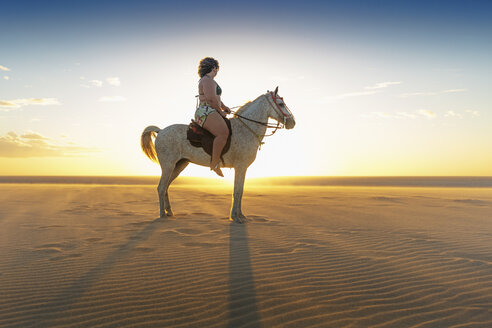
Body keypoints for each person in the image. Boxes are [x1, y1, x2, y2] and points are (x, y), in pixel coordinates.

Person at [194, 57, 231, 177]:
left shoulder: (208, 80)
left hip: (210, 109)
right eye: (217, 68)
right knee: (223, 133)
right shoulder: (207, 80)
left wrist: (224, 107)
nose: (217, 71)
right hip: (206, 111)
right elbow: (211, 99)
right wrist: (220, 112)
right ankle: (214, 164)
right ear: (214, 68)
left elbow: (216, 98)